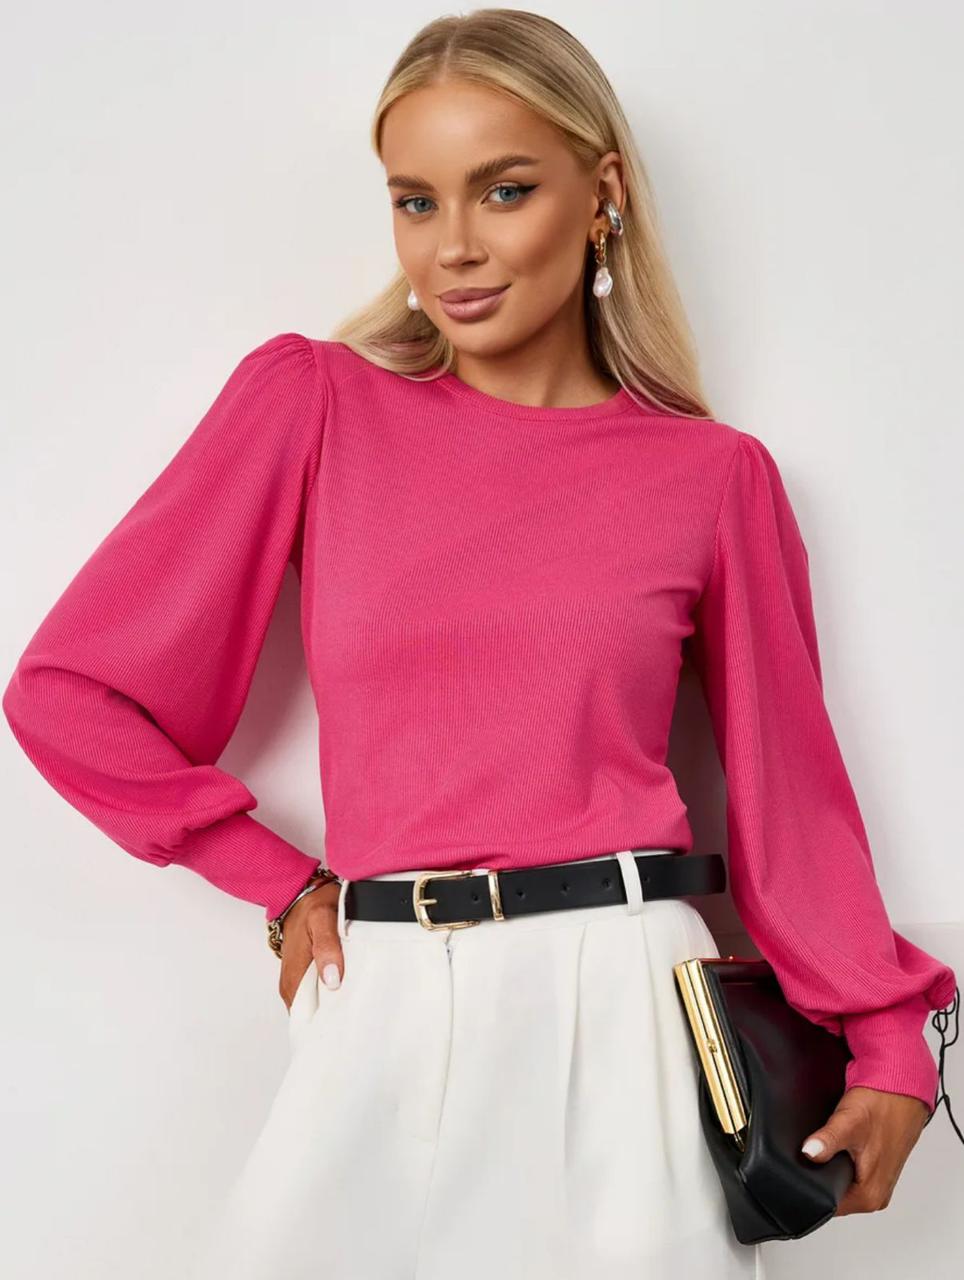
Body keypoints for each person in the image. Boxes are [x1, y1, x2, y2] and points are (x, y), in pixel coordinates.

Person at [3, 9, 958, 1279]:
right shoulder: (314, 404)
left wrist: (887, 1039)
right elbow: (70, 691)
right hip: (389, 989)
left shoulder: (711, 476)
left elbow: (790, 796)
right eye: (415, 200)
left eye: (503, 191)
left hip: (627, 996)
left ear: (601, 193)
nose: (452, 245)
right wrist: (278, 880)